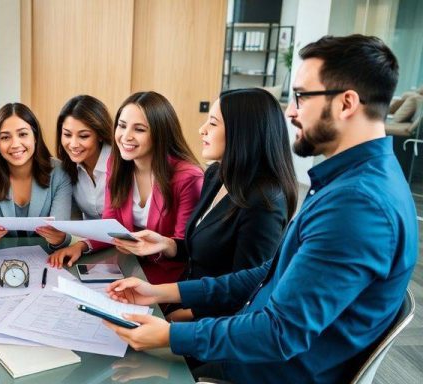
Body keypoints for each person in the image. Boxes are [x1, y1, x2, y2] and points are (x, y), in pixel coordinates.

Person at [104, 35, 416, 384]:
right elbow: (269, 272)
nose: (290, 111)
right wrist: (163, 292)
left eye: (301, 96)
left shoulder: (358, 205)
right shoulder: (349, 182)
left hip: (259, 371)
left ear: (346, 104)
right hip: (247, 355)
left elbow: (281, 332)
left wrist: (172, 335)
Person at [112, 88, 298, 320]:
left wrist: (181, 317)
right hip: (183, 298)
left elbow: (245, 289)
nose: (202, 130)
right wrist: (166, 244)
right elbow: (202, 252)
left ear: (242, 132)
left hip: (209, 322)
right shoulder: (216, 174)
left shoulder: (264, 201)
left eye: (212, 123)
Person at [49, 91, 203, 285]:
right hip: (129, 264)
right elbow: (110, 224)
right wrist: (82, 246)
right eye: (122, 126)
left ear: (160, 132)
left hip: (169, 276)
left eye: (139, 129)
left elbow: (186, 248)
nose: (125, 136)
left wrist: (163, 244)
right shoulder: (117, 164)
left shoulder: (187, 177)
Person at [0, 103, 72, 249]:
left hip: (45, 260)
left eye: (23, 134)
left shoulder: (59, 172)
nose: (15, 144)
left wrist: (59, 238)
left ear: (35, 136)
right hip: (0, 260)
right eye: (5, 137)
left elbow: (64, 232)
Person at [56, 95, 114, 219]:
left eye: (83, 136)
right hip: (90, 237)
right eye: (67, 134)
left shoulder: (119, 163)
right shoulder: (68, 168)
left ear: (100, 135)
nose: (73, 144)